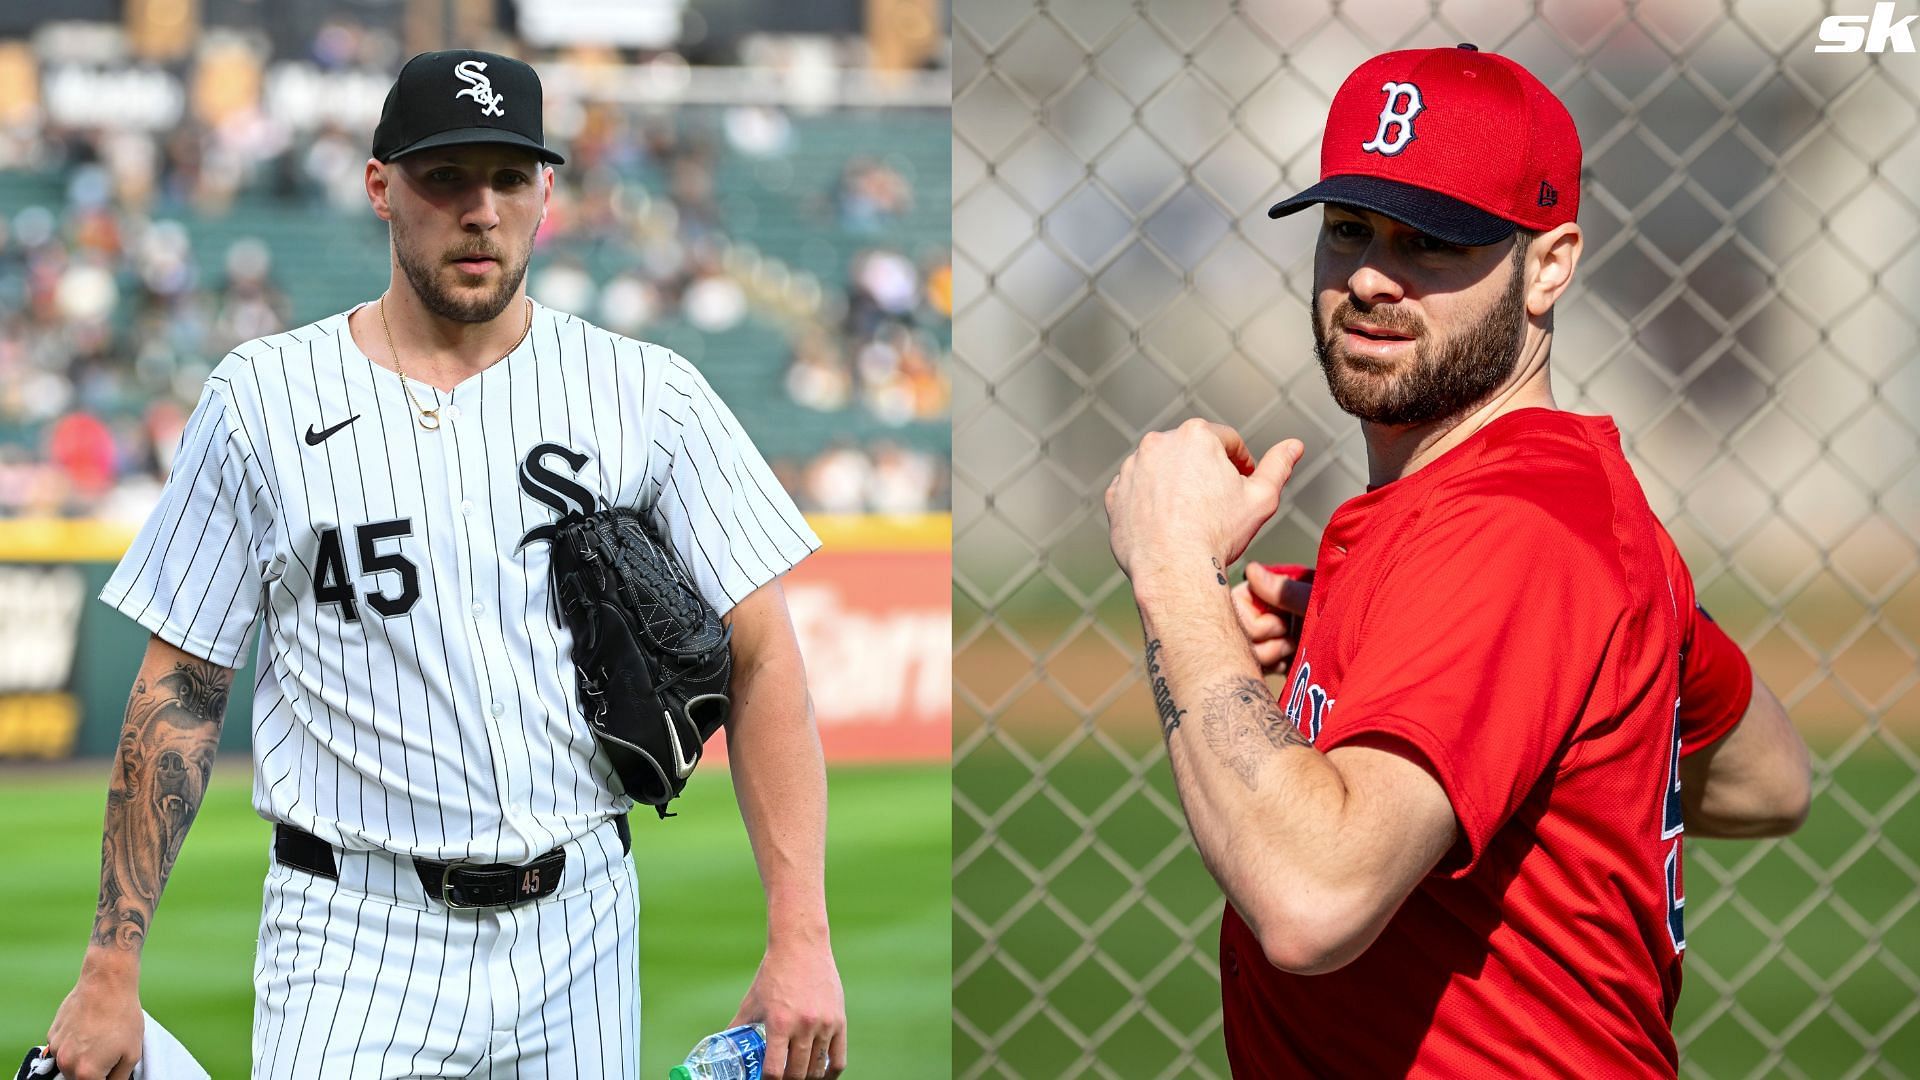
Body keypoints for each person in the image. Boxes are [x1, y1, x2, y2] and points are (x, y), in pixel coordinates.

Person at [45, 49, 846, 1080]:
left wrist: (803, 938)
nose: (481, 209)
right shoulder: (262, 400)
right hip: (349, 931)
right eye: (446, 178)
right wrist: (111, 964)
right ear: (381, 187)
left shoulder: (648, 393)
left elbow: (766, 659)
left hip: (581, 928)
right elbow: (182, 689)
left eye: (510, 178)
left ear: (547, 192)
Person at [1103, 44, 1810, 1077]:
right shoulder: (1549, 519)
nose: (1374, 277)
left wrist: (1172, 570)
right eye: (1350, 229)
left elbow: (1310, 901)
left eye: (1435, 240)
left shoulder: (1516, 529)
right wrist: (1484, 705)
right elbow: (1767, 779)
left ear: (1552, 264)